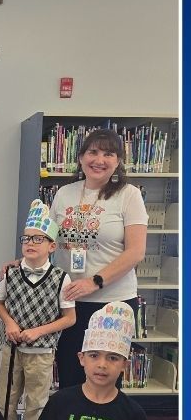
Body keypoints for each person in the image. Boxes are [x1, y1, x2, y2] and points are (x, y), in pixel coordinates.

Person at [49, 129, 148, 388]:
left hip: (111, 303)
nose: (99, 160)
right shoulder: (64, 193)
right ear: (81, 157)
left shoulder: (129, 195)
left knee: (103, 379)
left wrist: (95, 281)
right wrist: (23, 264)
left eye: (108, 153)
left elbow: (136, 252)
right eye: (93, 152)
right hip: (69, 302)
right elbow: (48, 241)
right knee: (70, 374)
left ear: (118, 161)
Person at [0, 200, 76, 420]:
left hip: (41, 352)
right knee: (6, 397)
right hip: (13, 348)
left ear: (52, 246)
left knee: (36, 402)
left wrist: (38, 331)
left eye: (39, 239)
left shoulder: (61, 278)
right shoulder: (11, 273)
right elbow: (0, 304)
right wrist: (9, 324)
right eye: (27, 238)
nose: (31, 243)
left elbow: (69, 318)